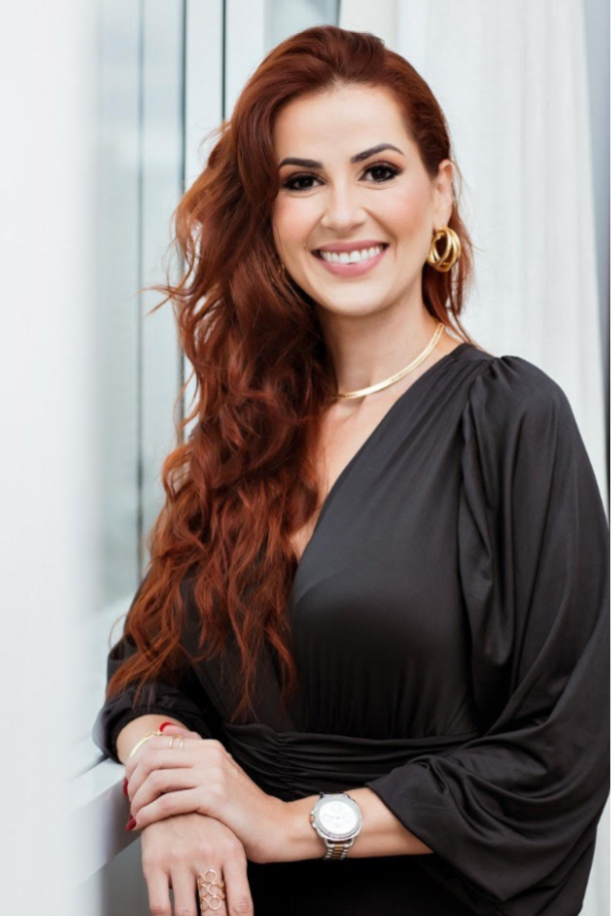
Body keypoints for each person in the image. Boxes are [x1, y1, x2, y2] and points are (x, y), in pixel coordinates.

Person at [92, 24, 609, 916]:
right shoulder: (247, 425)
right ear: (270, 214)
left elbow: (558, 754)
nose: (340, 213)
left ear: (439, 193)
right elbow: (147, 669)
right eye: (302, 181)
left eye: (377, 171)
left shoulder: (512, 418)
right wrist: (177, 793)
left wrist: (286, 824)